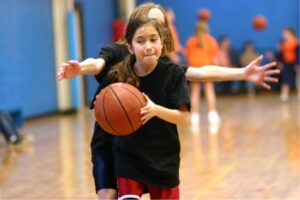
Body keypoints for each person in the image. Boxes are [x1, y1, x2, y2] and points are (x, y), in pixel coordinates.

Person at [57, 3, 278, 199]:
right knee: (108, 194)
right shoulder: (118, 52)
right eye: (151, 21)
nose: (154, 30)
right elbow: (97, 64)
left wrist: (241, 73)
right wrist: (79, 69)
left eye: (160, 27)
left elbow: (201, 72)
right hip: (111, 136)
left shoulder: (164, 67)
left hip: (153, 143)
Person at [185, 21, 220, 125]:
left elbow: (188, 56)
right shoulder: (211, 40)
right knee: (209, 90)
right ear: (207, 29)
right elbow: (214, 59)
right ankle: (212, 115)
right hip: (206, 67)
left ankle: (194, 117)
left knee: (195, 92)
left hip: (194, 68)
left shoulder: (190, 40)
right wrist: (218, 70)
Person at [279, 27, 299, 102]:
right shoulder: (284, 43)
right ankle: (284, 95)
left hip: (295, 63)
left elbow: (298, 53)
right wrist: (281, 62)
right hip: (287, 63)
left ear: (290, 33)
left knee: (298, 80)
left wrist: (298, 63)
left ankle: (299, 95)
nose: (284, 34)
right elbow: (281, 54)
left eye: (285, 33)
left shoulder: (296, 41)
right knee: (286, 79)